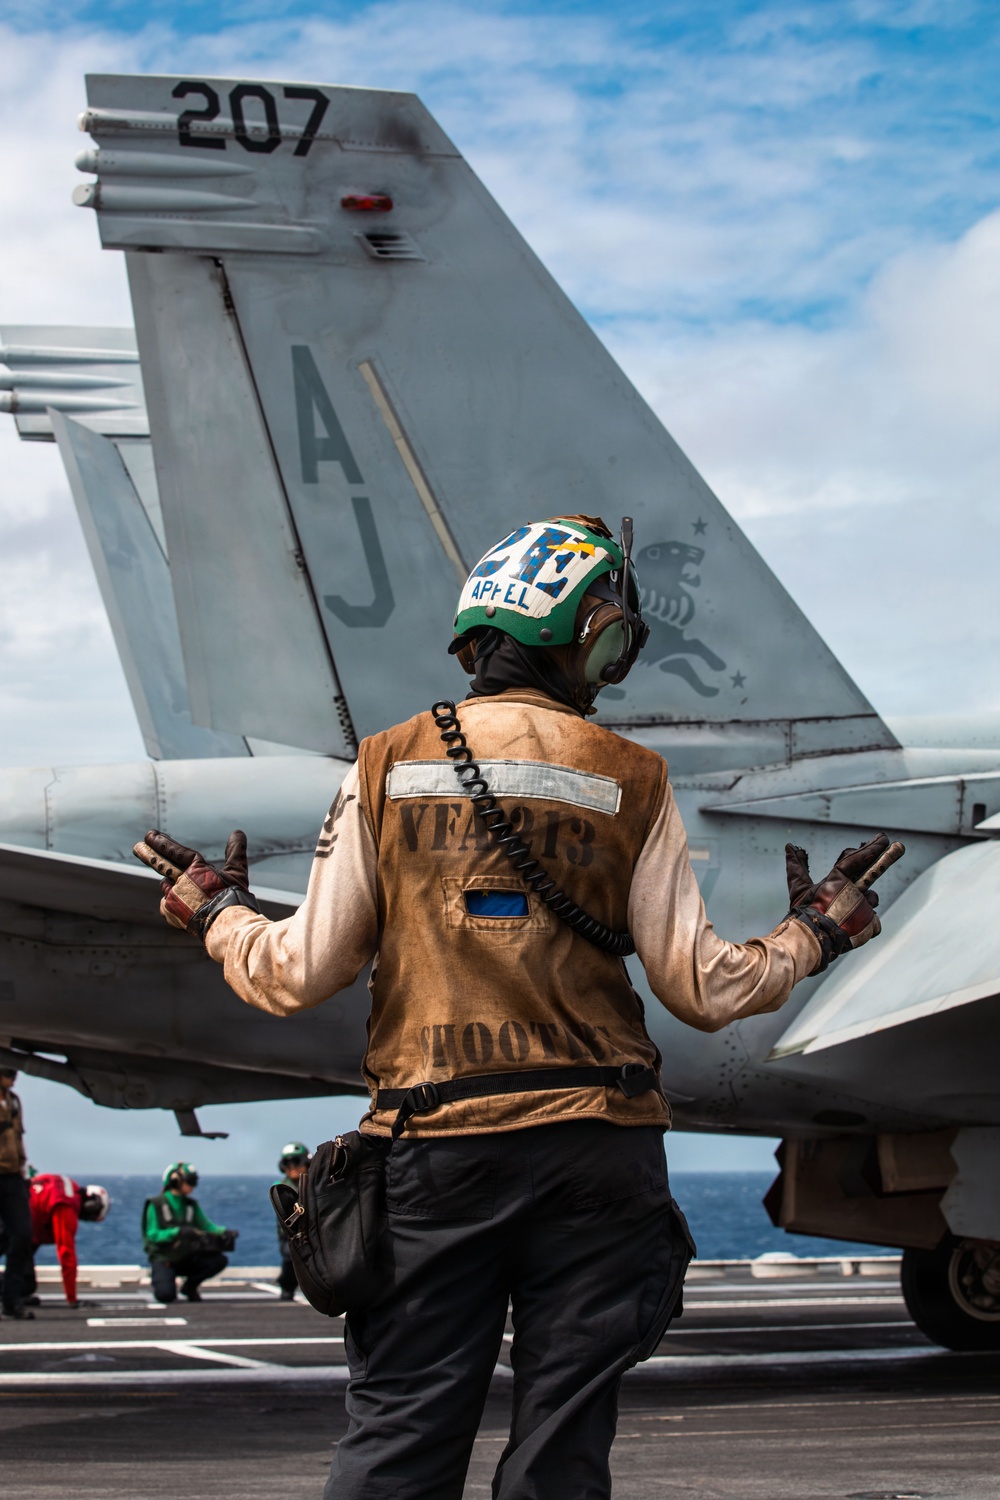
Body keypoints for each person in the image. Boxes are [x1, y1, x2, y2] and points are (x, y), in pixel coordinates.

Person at [135, 515, 902, 1499]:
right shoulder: (630, 776)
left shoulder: (386, 764)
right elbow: (707, 990)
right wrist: (816, 931)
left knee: (403, 1432)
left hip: (437, 1148)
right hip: (599, 1152)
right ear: (592, 635)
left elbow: (295, 973)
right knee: (563, 1450)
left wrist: (218, 914)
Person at [142, 1162, 237, 1304]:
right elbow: (153, 1234)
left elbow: (206, 1225)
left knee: (219, 1260)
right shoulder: (156, 1204)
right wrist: (177, 1232)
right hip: (165, 1258)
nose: (193, 1186)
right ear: (175, 1181)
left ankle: (190, 1286)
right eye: (190, 1181)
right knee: (165, 1295)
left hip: (186, 1256)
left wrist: (225, 1232)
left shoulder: (191, 1205)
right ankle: (162, 1276)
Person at [26, 1175, 110, 1308]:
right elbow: (66, 1253)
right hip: (14, 1219)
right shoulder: (66, 1205)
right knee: (22, 1282)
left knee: (23, 1280)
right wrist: (72, 1299)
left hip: (15, 1213)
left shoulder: (66, 1185)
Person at [0, 1067, 34, 1320]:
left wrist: (22, 1169)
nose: (13, 1076)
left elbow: (18, 1137)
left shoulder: (14, 1101)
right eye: (7, 1071)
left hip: (12, 1177)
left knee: (22, 1235)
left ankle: (11, 1300)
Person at [273, 1142, 310, 1301]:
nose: (292, 1167)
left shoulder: (315, 1184)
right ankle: (287, 1285)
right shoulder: (280, 1189)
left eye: (296, 1161)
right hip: (290, 1235)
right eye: (287, 1163)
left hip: (314, 1230)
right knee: (291, 1257)